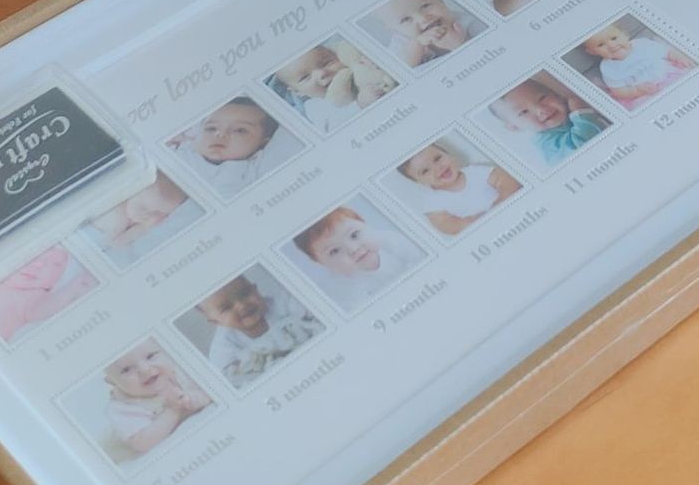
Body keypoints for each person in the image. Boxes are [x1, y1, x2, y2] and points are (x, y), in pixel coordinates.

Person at [289, 204, 423, 312]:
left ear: (365, 224)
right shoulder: (341, 289)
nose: (353, 249)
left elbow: (419, 257)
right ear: (320, 262)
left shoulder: (391, 241)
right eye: (335, 251)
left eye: (354, 235)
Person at [195, 274, 322, 385]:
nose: (242, 305)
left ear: (255, 289)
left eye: (244, 293)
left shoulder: (283, 302)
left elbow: (313, 315)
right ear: (216, 322)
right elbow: (228, 375)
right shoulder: (224, 344)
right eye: (227, 307)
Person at [97, 340, 211, 460]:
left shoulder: (181, 370)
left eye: (150, 356)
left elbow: (210, 387)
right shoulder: (122, 407)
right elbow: (143, 443)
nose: (145, 369)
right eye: (126, 370)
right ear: (112, 382)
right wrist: (173, 410)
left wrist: (198, 398)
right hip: (122, 444)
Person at [398, 138, 520, 235]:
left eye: (437, 158)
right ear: (419, 181)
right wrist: (476, 222)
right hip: (484, 232)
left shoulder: (476, 172)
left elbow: (508, 182)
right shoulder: (432, 202)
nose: (438, 168)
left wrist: (500, 204)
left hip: (511, 212)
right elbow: (448, 226)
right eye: (425, 171)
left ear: (448, 154)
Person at [267, 41, 396, 130]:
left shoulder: (354, 73)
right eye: (305, 77)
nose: (322, 73)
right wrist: (359, 105)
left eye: (326, 63)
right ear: (297, 91)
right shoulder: (314, 107)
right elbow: (333, 127)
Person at [489, 75, 610, 168]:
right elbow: (587, 147)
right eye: (524, 112)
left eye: (542, 98)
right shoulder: (548, 144)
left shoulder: (569, 104)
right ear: (513, 127)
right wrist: (580, 111)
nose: (541, 109)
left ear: (555, 93)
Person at [169, 97, 284, 194]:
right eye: (211, 128)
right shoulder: (182, 152)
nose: (221, 134)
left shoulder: (250, 170)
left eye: (240, 130)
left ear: (263, 143)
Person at [578, 21, 695, 106]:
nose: (611, 45)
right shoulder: (608, 68)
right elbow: (618, 91)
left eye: (614, 38)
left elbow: (668, 52)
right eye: (600, 45)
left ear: (625, 34)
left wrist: (680, 57)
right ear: (592, 51)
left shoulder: (642, 45)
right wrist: (637, 91)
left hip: (668, 75)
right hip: (644, 94)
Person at [373, 0, 482, 68]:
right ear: (393, 30)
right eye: (406, 19)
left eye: (425, 6)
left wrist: (458, 45)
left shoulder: (467, 22)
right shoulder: (401, 42)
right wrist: (418, 44)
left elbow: (483, 53)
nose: (423, 18)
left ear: (440, 1)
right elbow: (400, 70)